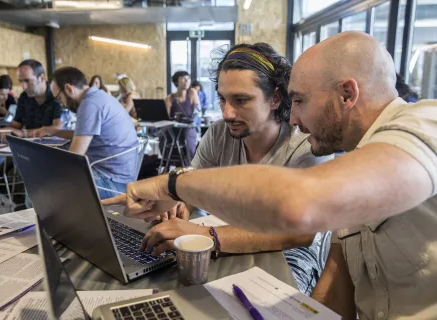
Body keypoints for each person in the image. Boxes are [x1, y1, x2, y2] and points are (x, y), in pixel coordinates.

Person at [105, 32, 437, 319]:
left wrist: (172, 184)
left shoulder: (425, 123)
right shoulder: (355, 169)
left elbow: (299, 204)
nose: (292, 117)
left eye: (299, 100)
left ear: (347, 95)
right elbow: (337, 283)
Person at [111, 43, 333, 294]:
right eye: (222, 99)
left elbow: (300, 234)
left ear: (275, 98)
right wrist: (175, 205)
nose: (227, 113)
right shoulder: (219, 133)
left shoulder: (304, 146)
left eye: (241, 100)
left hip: (289, 254)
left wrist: (208, 236)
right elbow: (193, 185)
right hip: (229, 239)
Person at [34, 67, 139, 199]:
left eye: (59, 98)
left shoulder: (90, 104)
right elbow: (83, 135)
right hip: (120, 176)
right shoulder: (97, 96)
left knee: (41, 182)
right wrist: (54, 131)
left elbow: (74, 156)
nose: (61, 103)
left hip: (110, 183)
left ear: (68, 89)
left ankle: (45, 217)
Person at [4, 59, 63, 137]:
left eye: (27, 81)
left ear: (42, 78)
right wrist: (2, 131)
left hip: (55, 146)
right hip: (31, 145)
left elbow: (57, 129)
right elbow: (16, 126)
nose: (24, 86)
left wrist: (24, 133)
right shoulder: (24, 97)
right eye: (20, 81)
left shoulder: (57, 95)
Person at [165, 71, 200, 160]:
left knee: (188, 134)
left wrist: (195, 118)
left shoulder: (192, 92)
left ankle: (190, 163)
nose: (186, 81)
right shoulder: (169, 98)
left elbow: (197, 111)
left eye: (188, 79)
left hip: (188, 128)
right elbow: (166, 117)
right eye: (183, 79)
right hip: (174, 130)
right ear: (176, 81)